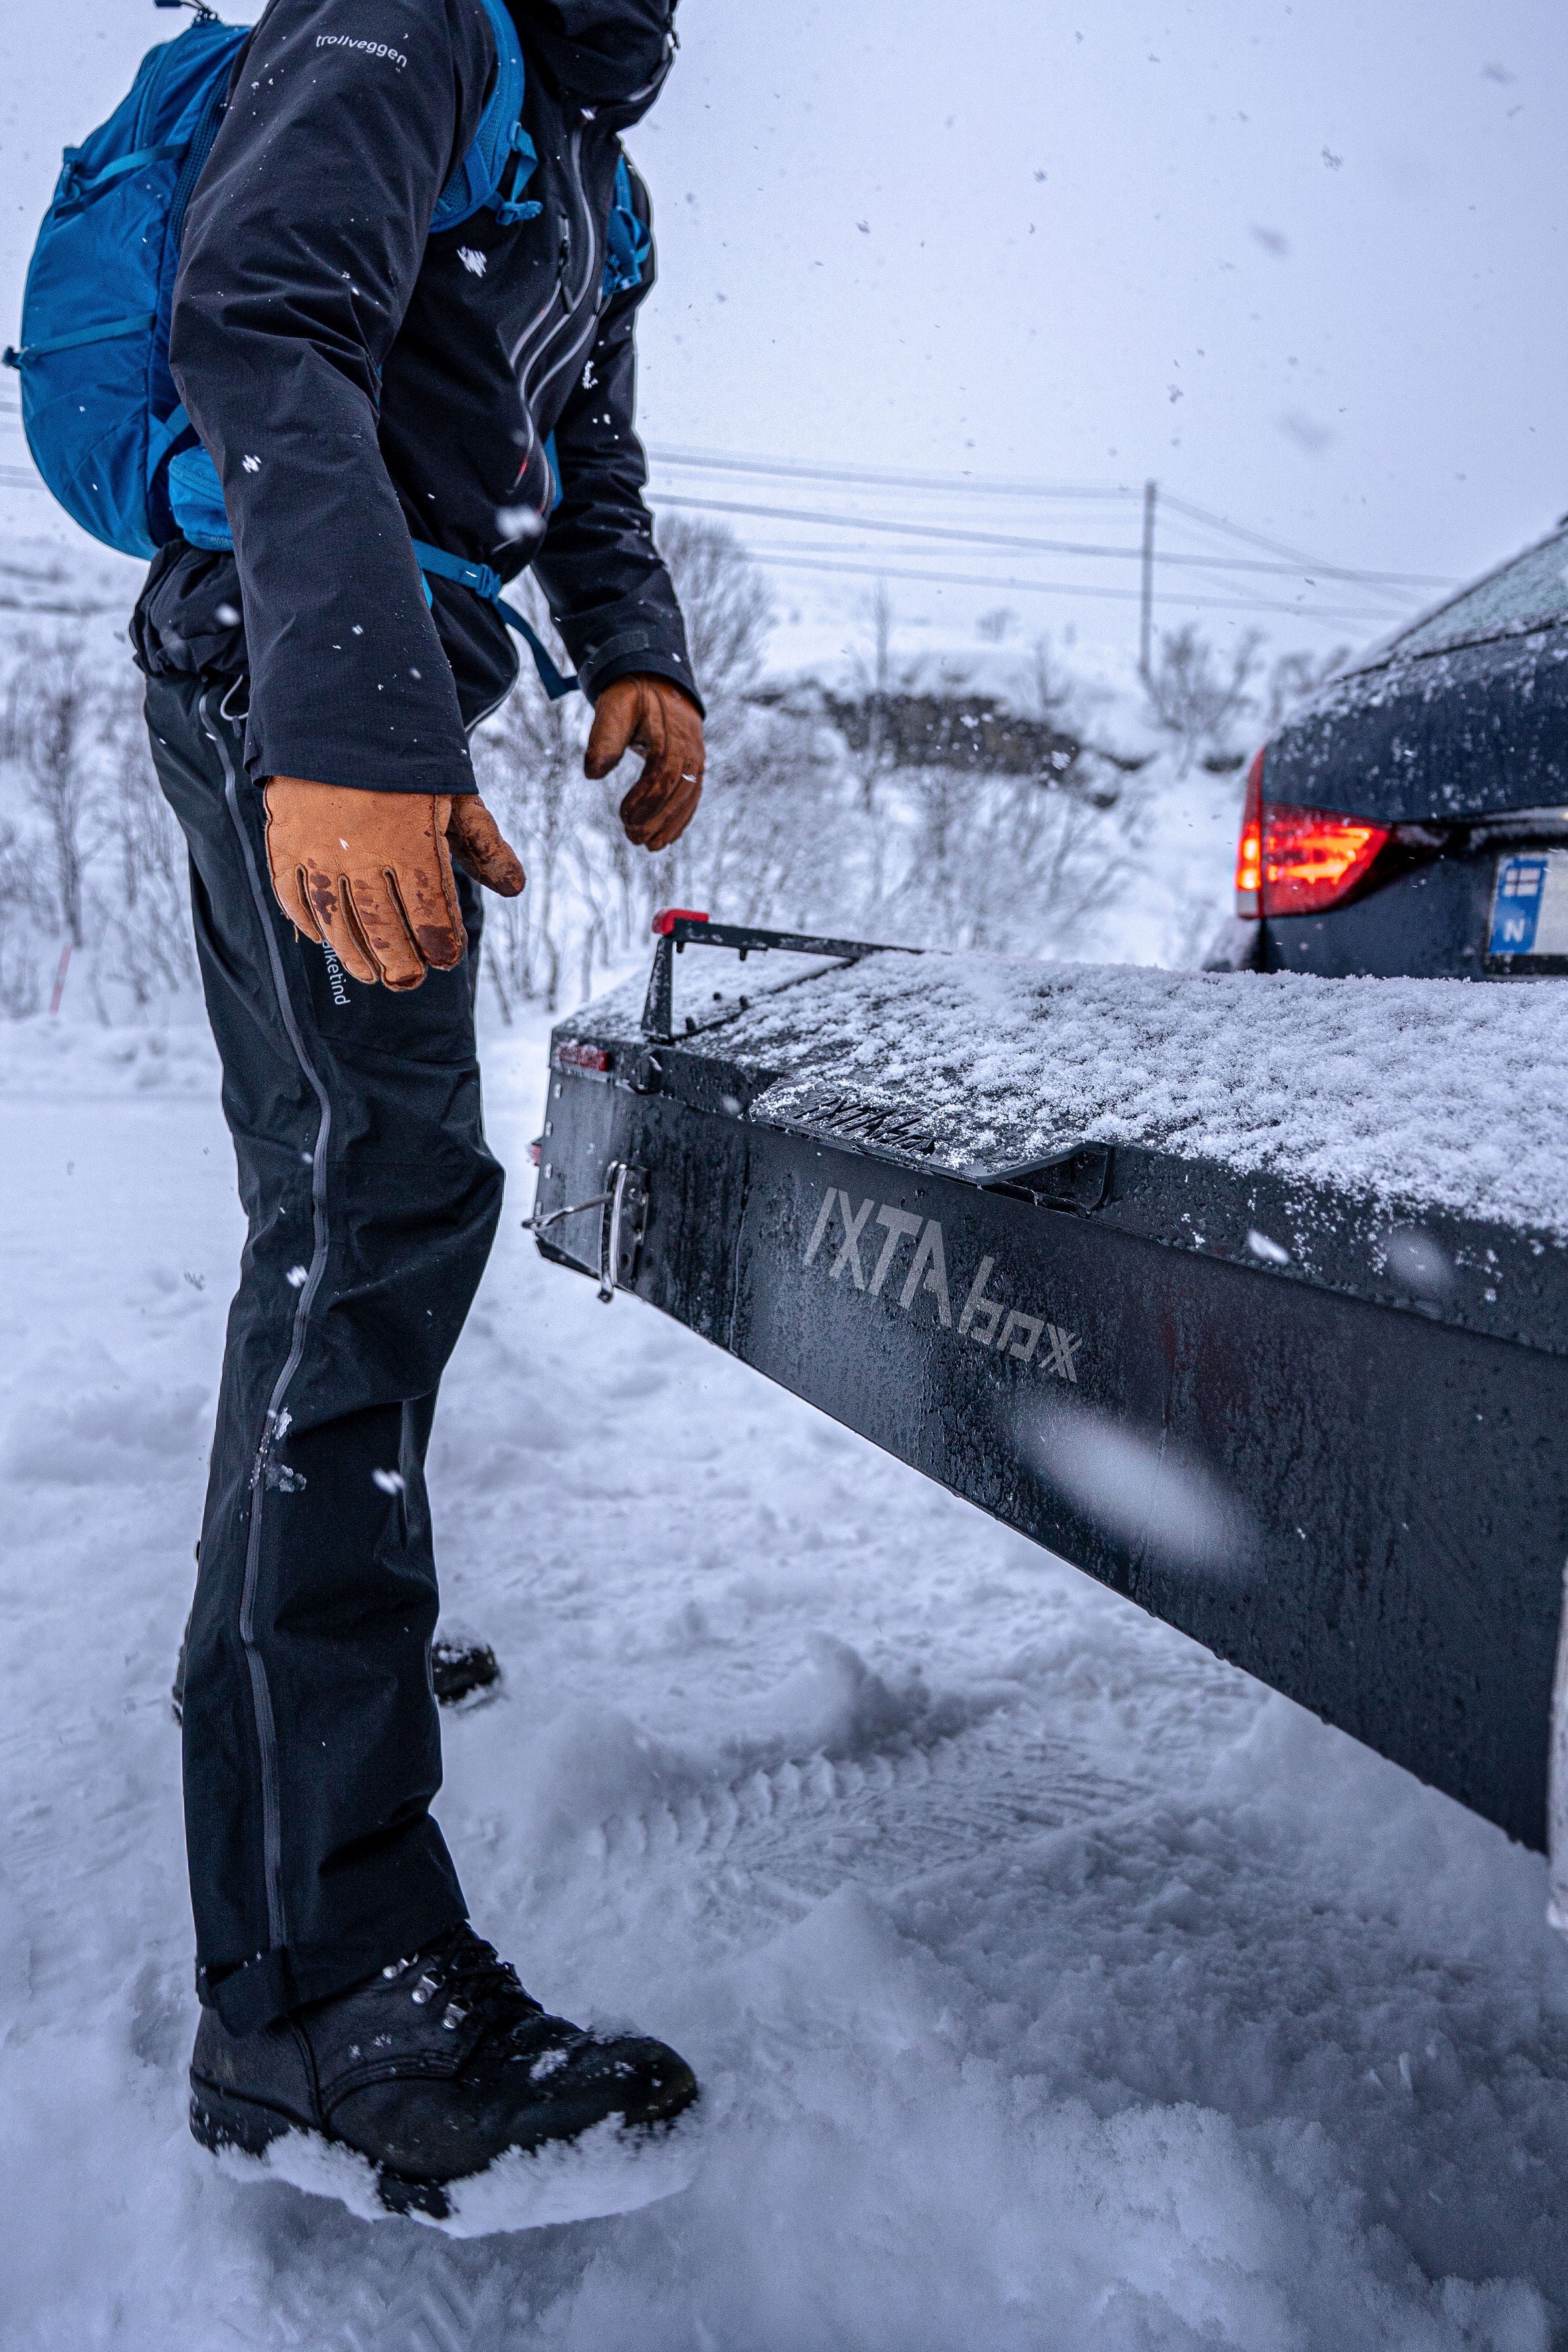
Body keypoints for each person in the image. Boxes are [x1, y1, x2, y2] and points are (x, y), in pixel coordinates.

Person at [131, 0, 706, 2225]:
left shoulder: (587, 158)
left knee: (333, 1213)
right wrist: (354, 728)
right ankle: (324, 1984)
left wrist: (633, 638)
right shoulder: (419, 16)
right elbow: (256, 309)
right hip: (300, 672)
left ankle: (300, 1706)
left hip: (362, 674)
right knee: (377, 1208)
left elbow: (585, 445)